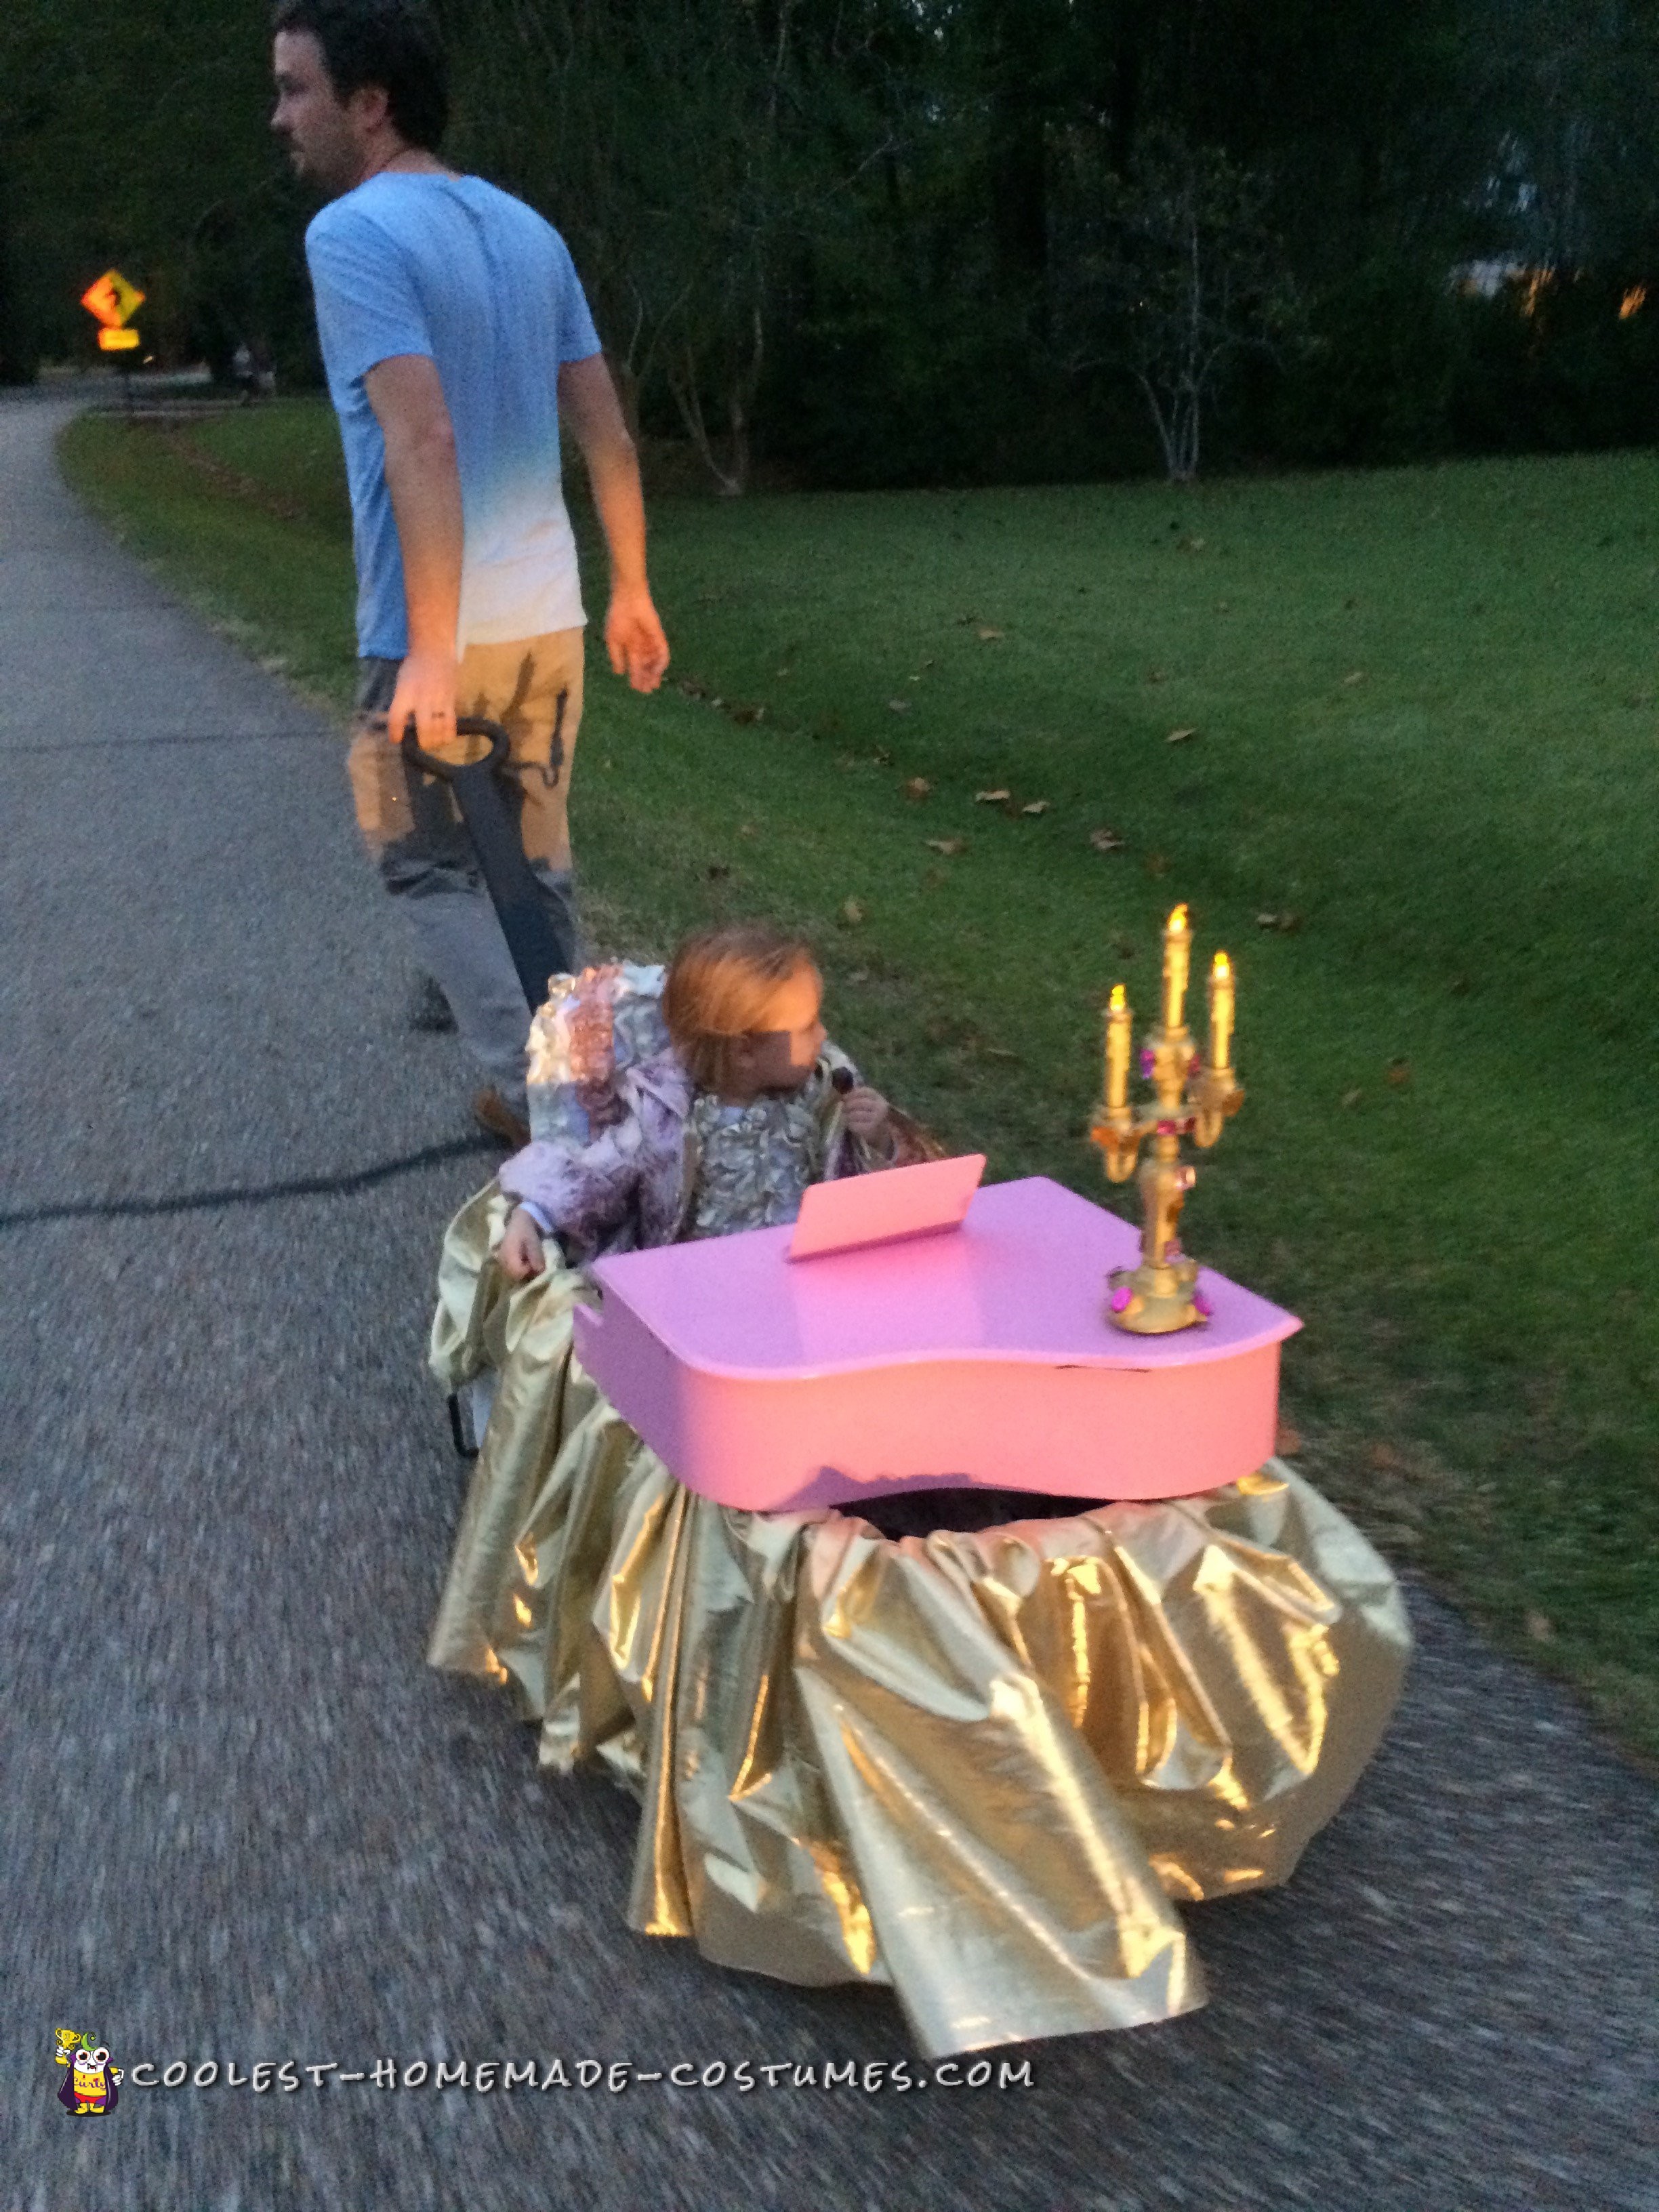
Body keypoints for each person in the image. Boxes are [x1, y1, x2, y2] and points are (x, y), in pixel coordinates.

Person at [270, 0, 670, 1147]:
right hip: (547, 619)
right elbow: (606, 432)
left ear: (370, 104)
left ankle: (549, 1109)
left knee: (421, 863)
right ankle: (587, 1086)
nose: (280, 116)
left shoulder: (352, 236)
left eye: (297, 89)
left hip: (433, 631)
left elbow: (424, 439)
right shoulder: (527, 229)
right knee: (533, 863)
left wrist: (430, 649)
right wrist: (630, 588)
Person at [494, 926, 937, 1280]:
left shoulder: (821, 1097)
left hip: (804, 1276)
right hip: (700, 1286)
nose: (824, 1036)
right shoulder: (664, 1116)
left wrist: (880, 1139)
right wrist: (533, 1215)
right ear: (744, 1053)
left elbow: (874, 1193)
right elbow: (597, 1173)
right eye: (806, 1027)